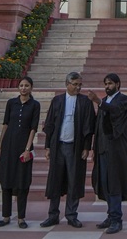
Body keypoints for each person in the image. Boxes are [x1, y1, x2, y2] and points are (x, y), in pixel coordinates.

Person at [40, 71, 95, 228]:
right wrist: (48, 146)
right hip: (58, 146)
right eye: (75, 84)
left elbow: (88, 127)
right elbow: (50, 125)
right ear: (67, 84)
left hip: (75, 148)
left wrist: (86, 147)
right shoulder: (57, 101)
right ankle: (53, 214)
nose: (78, 87)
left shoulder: (85, 102)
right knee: (55, 180)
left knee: (74, 180)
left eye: (80, 85)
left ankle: (71, 214)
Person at [88, 73, 127, 235]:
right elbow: (98, 128)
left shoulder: (124, 100)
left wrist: (98, 102)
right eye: (105, 84)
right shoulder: (105, 101)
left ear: (118, 84)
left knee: (114, 183)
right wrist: (94, 148)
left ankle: (116, 219)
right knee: (104, 183)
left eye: (110, 84)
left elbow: (116, 112)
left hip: (115, 151)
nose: (107, 86)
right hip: (102, 149)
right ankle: (110, 215)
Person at [0, 76, 41, 229]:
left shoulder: (35, 105)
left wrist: (28, 149)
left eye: (26, 85)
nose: (23, 88)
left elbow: (33, 128)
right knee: (6, 180)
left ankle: (21, 217)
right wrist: (0, 145)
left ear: (31, 87)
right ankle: (6, 216)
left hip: (23, 148)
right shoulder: (11, 103)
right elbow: (5, 124)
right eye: (21, 85)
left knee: (22, 182)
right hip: (8, 146)